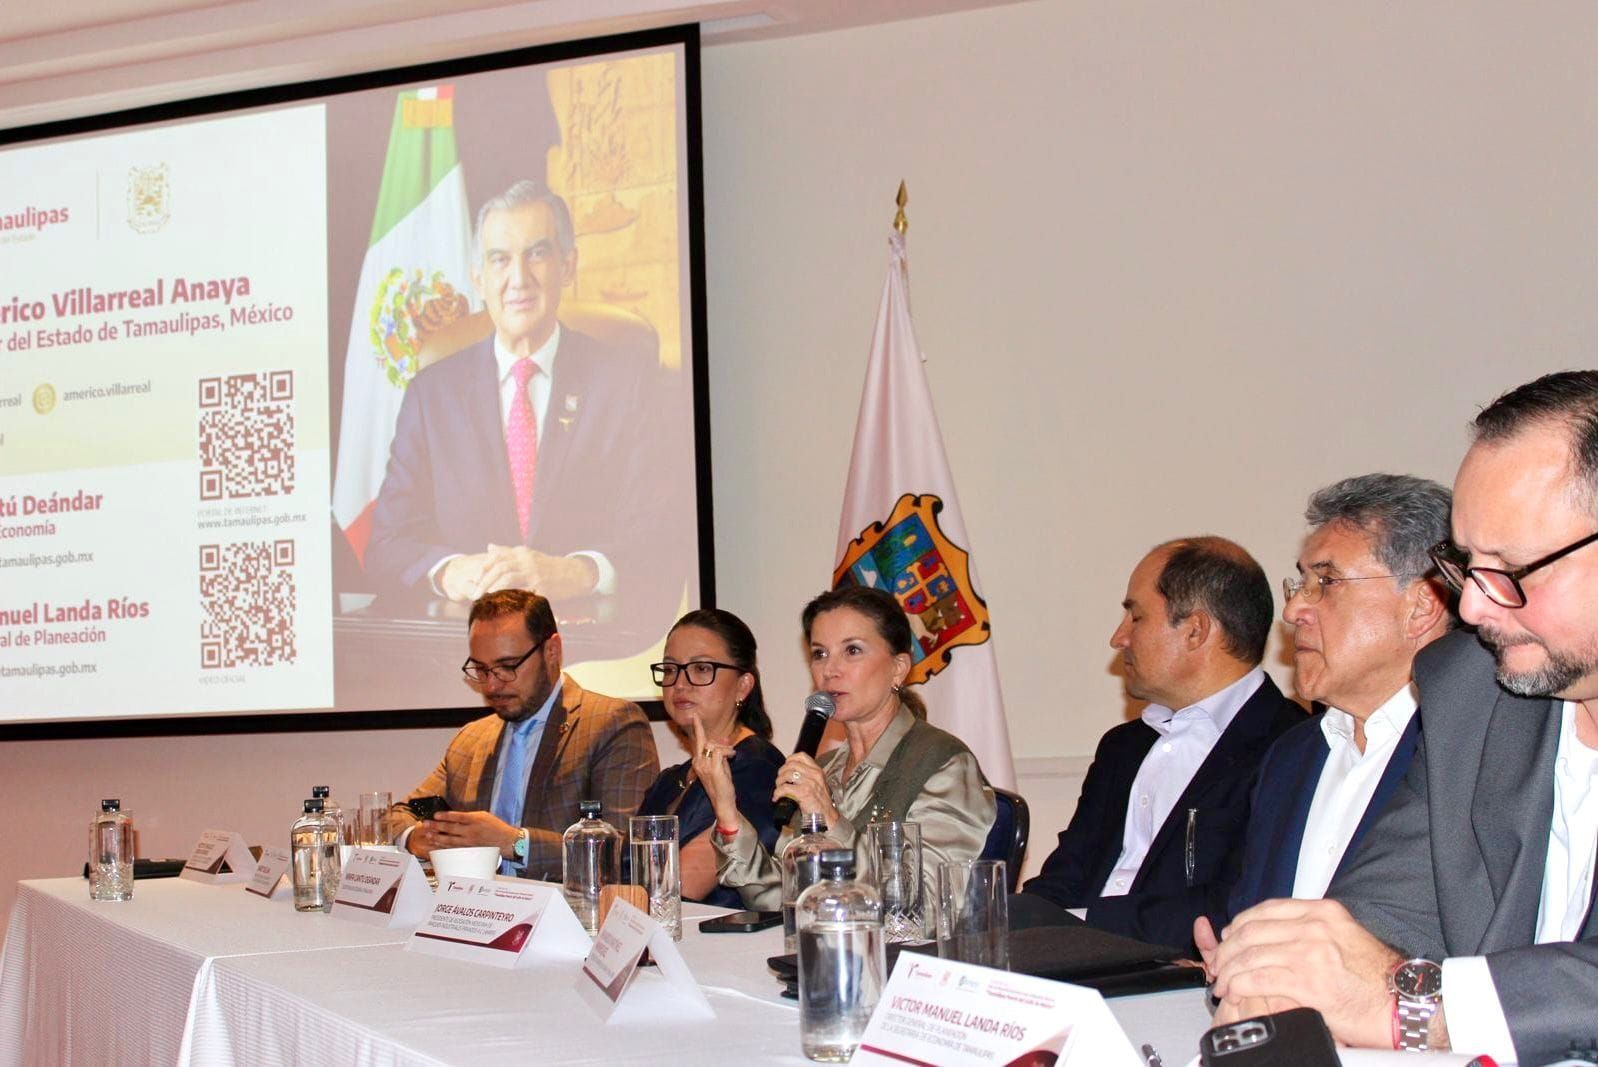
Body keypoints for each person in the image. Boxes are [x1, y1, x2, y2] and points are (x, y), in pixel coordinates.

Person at [1203, 371, 1598, 1064]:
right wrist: (1292, 976)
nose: (1470, 607)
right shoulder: (1474, 688)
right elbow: (1390, 905)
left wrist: (1421, 1007)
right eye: (1466, 563)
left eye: (1512, 568)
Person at [363, 179, 685, 633]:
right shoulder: (431, 395)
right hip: (463, 651)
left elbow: (661, 536)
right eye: (500, 259)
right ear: (478, 279)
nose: (519, 278)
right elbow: (387, 545)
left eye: (537, 254)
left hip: (591, 648)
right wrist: (449, 571)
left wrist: (577, 573)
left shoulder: (628, 383)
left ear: (567, 265)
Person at [1015, 537, 1303, 952]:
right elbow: (1065, 877)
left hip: (1181, 975)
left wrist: (1079, 927)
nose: (1119, 638)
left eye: (1136, 617)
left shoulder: (1290, 748)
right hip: (1074, 963)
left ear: (1195, 630)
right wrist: (1011, 925)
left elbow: (1236, 904)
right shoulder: (1123, 747)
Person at [1225, 474, 1451, 919]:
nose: (1293, 610)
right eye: (1300, 584)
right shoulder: (1289, 757)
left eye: (1327, 582)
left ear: (1422, 606)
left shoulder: (1468, 758)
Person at [704, 585, 995, 910]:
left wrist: (829, 818)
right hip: (821, 940)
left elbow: (922, 906)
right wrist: (727, 813)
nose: (830, 670)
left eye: (852, 650)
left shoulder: (943, 763)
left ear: (899, 667)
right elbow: (780, 899)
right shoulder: (824, 768)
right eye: (820, 654)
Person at [389, 588, 659, 880]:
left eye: (507, 667)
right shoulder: (470, 739)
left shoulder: (612, 724)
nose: (491, 686)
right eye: (481, 669)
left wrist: (515, 843)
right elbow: (395, 815)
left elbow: (623, 851)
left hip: (565, 906)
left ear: (551, 651)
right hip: (473, 905)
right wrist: (414, 837)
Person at [636, 608, 785, 909]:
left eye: (702, 668)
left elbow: (676, 889)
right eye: (670, 669)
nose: (680, 683)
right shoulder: (669, 780)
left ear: (743, 685)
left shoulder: (757, 769)